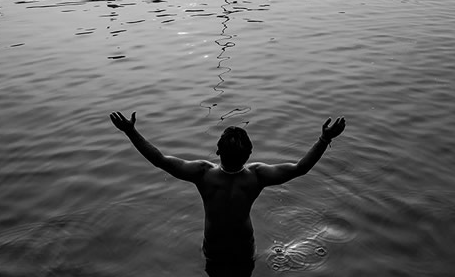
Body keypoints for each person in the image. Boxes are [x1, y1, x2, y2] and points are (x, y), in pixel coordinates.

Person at [109, 111, 346, 265]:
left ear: (218, 151)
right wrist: (324, 139)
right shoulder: (257, 176)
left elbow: (159, 160)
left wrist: (130, 131)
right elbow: (300, 168)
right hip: (244, 248)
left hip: (214, 247)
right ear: (249, 154)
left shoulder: (203, 174)